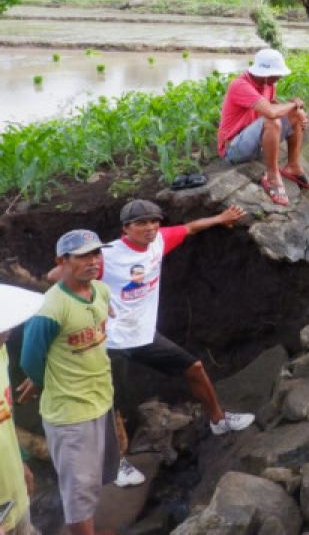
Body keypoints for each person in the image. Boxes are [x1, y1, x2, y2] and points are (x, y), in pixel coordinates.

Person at [98, 200, 254, 460]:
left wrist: (219, 218)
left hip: (143, 336)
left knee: (194, 368)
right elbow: (59, 275)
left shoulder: (158, 240)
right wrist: (94, 300)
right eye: (141, 223)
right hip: (110, 341)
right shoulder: (107, 254)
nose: (150, 228)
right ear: (126, 228)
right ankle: (116, 462)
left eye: (154, 221)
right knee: (112, 403)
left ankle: (218, 419)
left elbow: (190, 228)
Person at [19, 230, 119, 535]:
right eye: (83, 256)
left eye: (96, 254)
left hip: (101, 399)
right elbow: (29, 359)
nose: (93, 261)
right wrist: (41, 380)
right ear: (62, 262)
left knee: (94, 481)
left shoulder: (100, 291)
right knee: (78, 492)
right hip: (71, 413)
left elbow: (100, 319)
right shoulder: (50, 309)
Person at [218, 48, 309, 207]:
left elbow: (273, 105)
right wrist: (294, 104)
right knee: (272, 120)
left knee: (295, 114)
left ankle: (293, 166)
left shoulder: (268, 84)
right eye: (277, 73)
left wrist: (297, 112)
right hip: (234, 149)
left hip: (253, 143)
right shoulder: (240, 85)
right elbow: (270, 112)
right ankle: (273, 176)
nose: (280, 76)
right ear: (265, 73)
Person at [1, 285, 45, 535]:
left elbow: (4, 420)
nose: (8, 331)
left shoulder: (1, 351)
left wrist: (21, 464)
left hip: (13, 489)